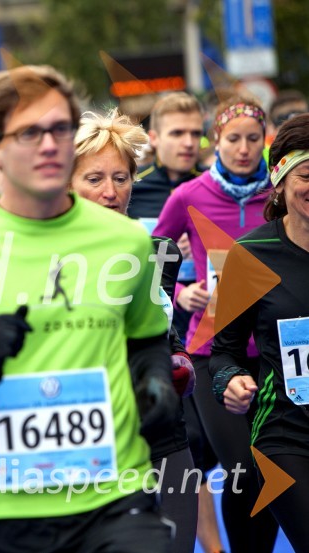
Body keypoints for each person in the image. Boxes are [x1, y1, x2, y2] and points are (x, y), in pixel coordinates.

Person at [0, 65, 175, 553]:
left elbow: (147, 341)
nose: (48, 144)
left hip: (113, 500)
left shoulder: (128, 242)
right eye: (29, 132)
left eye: (59, 129)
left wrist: (154, 386)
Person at [153, 95, 279, 553]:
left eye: (252, 139)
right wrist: (182, 294)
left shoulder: (281, 194)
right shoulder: (189, 194)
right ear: (216, 141)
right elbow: (155, 262)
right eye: (233, 139)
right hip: (209, 353)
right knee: (245, 470)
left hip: (272, 351)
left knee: (273, 468)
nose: (244, 149)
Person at [69, 110, 197, 553]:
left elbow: (161, 327)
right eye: (94, 179)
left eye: (121, 178)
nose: (110, 192)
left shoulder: (158, 251)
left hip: (163, 433)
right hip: (84, 442)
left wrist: (178, 358)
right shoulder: (42, 259)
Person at [210, 113, 309, 552]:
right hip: (287, 435)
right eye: (307, 175)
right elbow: (224, 352)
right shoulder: (252, 256)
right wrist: (229, 381)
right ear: (281, 180)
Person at [130, 92, 206, 219]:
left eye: (196, 134)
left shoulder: (217, 184)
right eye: (177, 133)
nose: (189, 143)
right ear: (153, 138)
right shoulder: (131, 185)